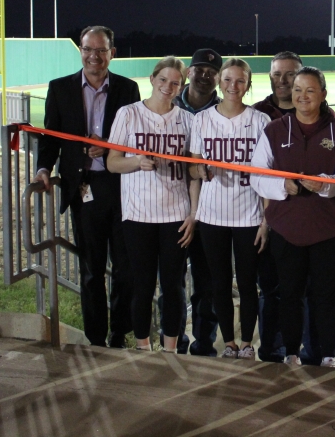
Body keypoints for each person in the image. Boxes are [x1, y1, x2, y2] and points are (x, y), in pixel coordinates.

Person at [35, 26, 139, 348]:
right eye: (87, 49)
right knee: (91, 270)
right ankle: (96, 338)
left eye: (101, 50)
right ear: (80, 50)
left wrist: (109, 146)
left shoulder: (127, 89)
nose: (94, 56)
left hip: (122, 186)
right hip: (84, 189)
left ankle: (118, 333)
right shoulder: (60, 89)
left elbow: (135, 139)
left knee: (125, 268)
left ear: (112, 52)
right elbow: (51, 137)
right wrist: (43, 169)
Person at [250, 67, 335, 367]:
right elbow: (257, 175)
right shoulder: (274, 129)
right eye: (298, 90)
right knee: (289, 293)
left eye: (310, 90)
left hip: (328, 229)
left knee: (325, 295)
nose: (302, 96)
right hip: (286, 228)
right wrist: (282, 184)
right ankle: (292, 352)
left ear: (323, 94)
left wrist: (325, 184)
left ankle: (327, 354)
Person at [106, 57, 197, 352]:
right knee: (142, 284)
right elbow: (112, 163)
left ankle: (170, 348)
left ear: (182, 86)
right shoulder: (129, 114)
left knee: (173, 286)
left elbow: (193, 173)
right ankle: (143, 345)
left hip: (176, 214)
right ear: (152, 79)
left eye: (175, 83)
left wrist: (193, 215)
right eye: (163, 80)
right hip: (138, 213)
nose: (168, 87)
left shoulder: (187, 120)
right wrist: (136, 161)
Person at [189, 58, 271, 359]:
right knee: (218, 282)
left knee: (248, 282)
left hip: (249, 213)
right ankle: (229, 343)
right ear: (219, 82)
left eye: (239, 81)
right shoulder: (202, 119)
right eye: (227, 80)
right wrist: (203, 170)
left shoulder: (260, 121)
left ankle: (248, 342)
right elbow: (194, 169)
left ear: (248, 84)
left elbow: (267, 174)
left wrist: (265, 220)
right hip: (213, 214)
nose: (232, 86)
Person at [252, 51, 306, 362]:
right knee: (269, 289)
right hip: (266, 218)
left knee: (303, 292)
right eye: (277, 74)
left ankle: (305, 351)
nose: (283, 81)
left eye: (291, 74)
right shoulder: (259, 114)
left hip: (306, 221)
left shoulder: (322, 114)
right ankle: (271, 350)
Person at [169, 49, 223, 356]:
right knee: (173, 284)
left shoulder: (224, 109)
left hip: (210, 210)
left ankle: (204, 344)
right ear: (189, 71)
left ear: (217, 77)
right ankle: (174, 341)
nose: (204, 75)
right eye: (199, 69)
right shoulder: (169, 102)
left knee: (208, 284)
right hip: (171, 207)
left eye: (211, 71)